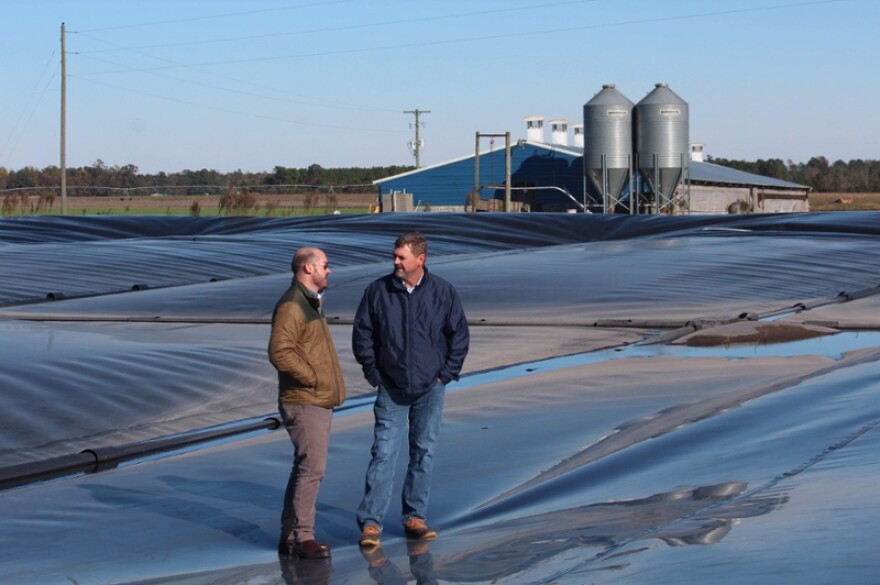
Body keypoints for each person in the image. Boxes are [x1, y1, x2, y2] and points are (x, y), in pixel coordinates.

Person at [352, 232, 469, 548]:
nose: (395, 263)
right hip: (391, 387)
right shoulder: (378, 291)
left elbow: (459, 335)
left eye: (401, 257)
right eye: (394, 256)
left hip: (431, 387)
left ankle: (414, 517)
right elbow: (362, 333)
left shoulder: (443, 292)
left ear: (421, 259)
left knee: (423, 451)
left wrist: (445, 375)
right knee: (384, 452)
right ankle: (371, 524)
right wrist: (374, 373)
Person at [269, 247, 346, 560]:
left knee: (305, 467)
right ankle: (303, 538)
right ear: (307, 268)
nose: (329, 271)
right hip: (304, 399)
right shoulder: (293, 305)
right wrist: (313, 378)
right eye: (325, 266)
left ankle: (290, 535)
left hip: (314, 398)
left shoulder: (310, 302)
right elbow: (280, 352)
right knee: (312, 468)